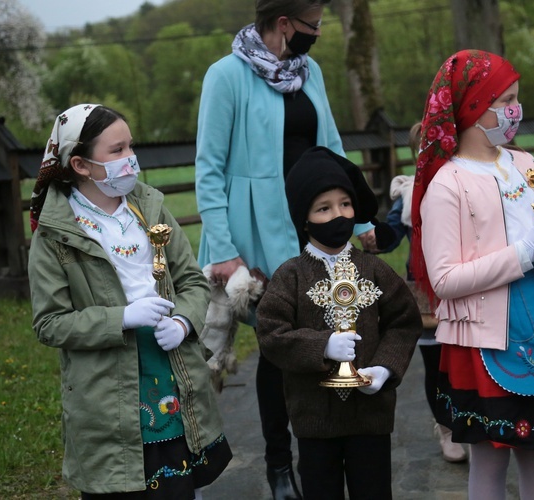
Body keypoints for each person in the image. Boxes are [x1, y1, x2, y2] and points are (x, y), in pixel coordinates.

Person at [194, 2, 377, 497]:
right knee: (279, 346)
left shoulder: (309, 70)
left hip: (314, 224)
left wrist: (356, 216)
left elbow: (333, 142)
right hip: (253, 231)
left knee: (326, 334)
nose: (317, 34)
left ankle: (322, 451)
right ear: (283, 24)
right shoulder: (225, 76)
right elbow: (208, 168)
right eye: (312, 26)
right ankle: (279, 464)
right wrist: (226, 251)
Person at [410, 50, 534, 500]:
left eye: (516, 99)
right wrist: (522, 255)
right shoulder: (448, 184)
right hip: (488, 340)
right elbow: (445, 278)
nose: (515, 110)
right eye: (505, 99)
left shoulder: (524, 164)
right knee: (490, 456)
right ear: (472, 106)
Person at [29, 104, 231, 499]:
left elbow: (191, 279)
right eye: (116, 150)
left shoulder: (149, 207)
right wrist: (121, 318)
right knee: (122, 484)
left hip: (170, 368)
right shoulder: (55, 233)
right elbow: (50, 323)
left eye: (130, 147)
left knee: (177, 488)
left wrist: (184, 322)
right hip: (108, 388)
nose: (130, 159)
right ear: (81, 165)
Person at [255, 146, 423, 500]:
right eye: (323, 208)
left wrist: (385, 368)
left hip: (370, 416)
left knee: (374, 491)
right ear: (304, 217)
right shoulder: (290, 276)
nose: (338, 215)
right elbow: (270, 333)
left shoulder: (374, 269)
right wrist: (321, 346)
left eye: (345, 204)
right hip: (314, 419)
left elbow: (405, 321)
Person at [377, 122, 468, 463]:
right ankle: (446, 428)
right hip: (426, 293)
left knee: (464, 359)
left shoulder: (465, 182)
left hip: (465, 286)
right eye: (422, 148)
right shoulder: (410, 191)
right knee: (436, 365)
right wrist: (373, 236)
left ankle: (470, 419)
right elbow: (392, 237)